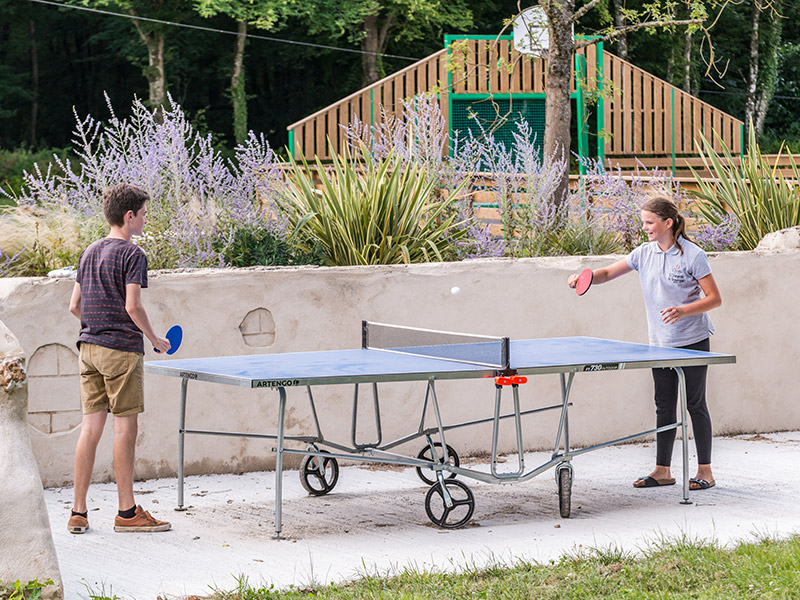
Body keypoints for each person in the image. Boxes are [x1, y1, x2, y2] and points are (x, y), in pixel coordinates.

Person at [568, 195, 722, 491]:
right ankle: (662, 470)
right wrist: (582, 277)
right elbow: (608, 273)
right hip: (659, 343)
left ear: (668, 222)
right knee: (664, 406)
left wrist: (683, 310)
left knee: (695, 404)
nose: (645, 228)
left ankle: (705, 471)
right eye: (643, 222)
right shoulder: (643, 253)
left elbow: (715, 299)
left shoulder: (693, 255)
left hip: (692, 341)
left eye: (649, 222)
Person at [67, 183, 172, 533]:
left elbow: (74, 306)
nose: (145, 219)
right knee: (124, 429)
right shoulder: (132, 255)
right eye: (143, 214)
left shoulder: (89, 251)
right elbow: (132, 306)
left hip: (89, 350)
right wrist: (155, 338)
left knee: (90, 429)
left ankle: (78, 512)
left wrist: (96, 326)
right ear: (129, 216)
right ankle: (127, 514)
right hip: (121, 351)